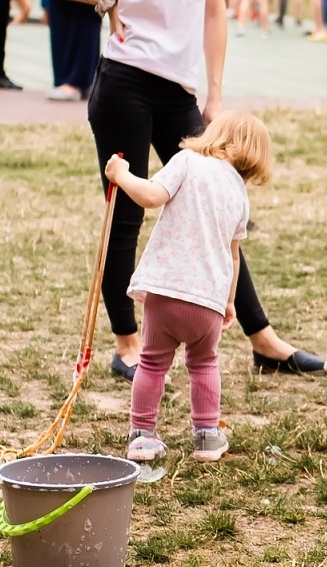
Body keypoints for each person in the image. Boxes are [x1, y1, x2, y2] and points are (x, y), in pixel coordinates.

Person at [17, 0, 327, 381]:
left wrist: (213, 94)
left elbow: (214, 11)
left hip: (181, 90)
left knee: (217, 209)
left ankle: (263, 340)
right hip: (123, 83)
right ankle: (126, 341)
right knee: (126, 215)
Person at [105, 111, 272, 464]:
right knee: (205, 364)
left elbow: (151, 196)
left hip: (168, 290)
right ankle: (207, 436)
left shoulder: (187, 161)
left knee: (151, 363)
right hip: (209, 300)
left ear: (216, 134)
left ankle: (142, 435)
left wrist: (122, 175)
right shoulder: (239, 194)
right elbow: (234, 255)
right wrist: (230, 303)